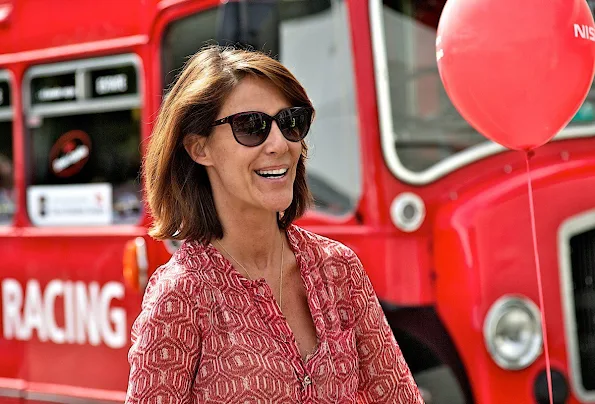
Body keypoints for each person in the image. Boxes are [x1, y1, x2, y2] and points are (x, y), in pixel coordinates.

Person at [125, 45, 423, 404]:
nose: (280, 143)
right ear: (198, 148)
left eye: (291, 122)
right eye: (252, 127)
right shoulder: (181, 298)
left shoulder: (339, 269)